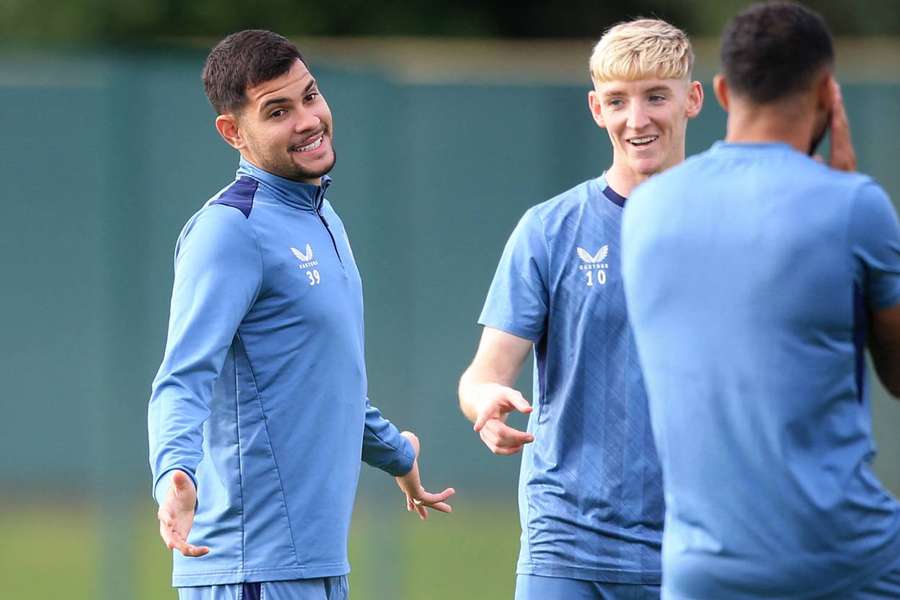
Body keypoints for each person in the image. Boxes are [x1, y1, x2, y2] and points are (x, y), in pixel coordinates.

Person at [148, 29, 454, 600]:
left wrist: (399, 456)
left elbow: (324, 382)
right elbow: (182, 377)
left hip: (313, 566)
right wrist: (174, 474)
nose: (308, 119)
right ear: (233, 132)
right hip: (250, 571)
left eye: (310, 96)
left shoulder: (322, 217)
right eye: (278, 111)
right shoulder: (228, 230)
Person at [621, 2, 900, 598]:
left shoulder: (646, 212)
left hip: (700, 570)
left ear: (720, 91)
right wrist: (844, 185)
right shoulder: (855, 207)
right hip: (846, 564)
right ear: (828, 93)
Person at [457, 19, 703, 600]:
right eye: (618, 100)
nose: (636, 119)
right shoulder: (550, 230)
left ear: (692, 98)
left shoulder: (728, 225)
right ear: (596, 108)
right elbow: (484, 374)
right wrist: (484, 405)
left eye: (655, 97)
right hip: (567, 545)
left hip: (699, 546)